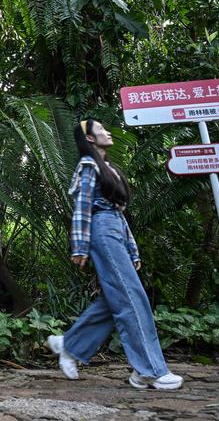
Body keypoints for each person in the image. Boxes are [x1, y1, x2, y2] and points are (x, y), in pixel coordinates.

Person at [46, 119, 183, 390]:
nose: (107, 132)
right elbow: (83, 207)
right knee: (132, 298)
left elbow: (118, 214)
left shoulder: (110, 168)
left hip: (114, 230)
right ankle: (150, 370)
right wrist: (80, 246)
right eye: (101, 130)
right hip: (101, 231)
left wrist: (132, 249)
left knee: (117, 298)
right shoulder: (88, 166)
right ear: (90, 139)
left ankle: (70, 344)